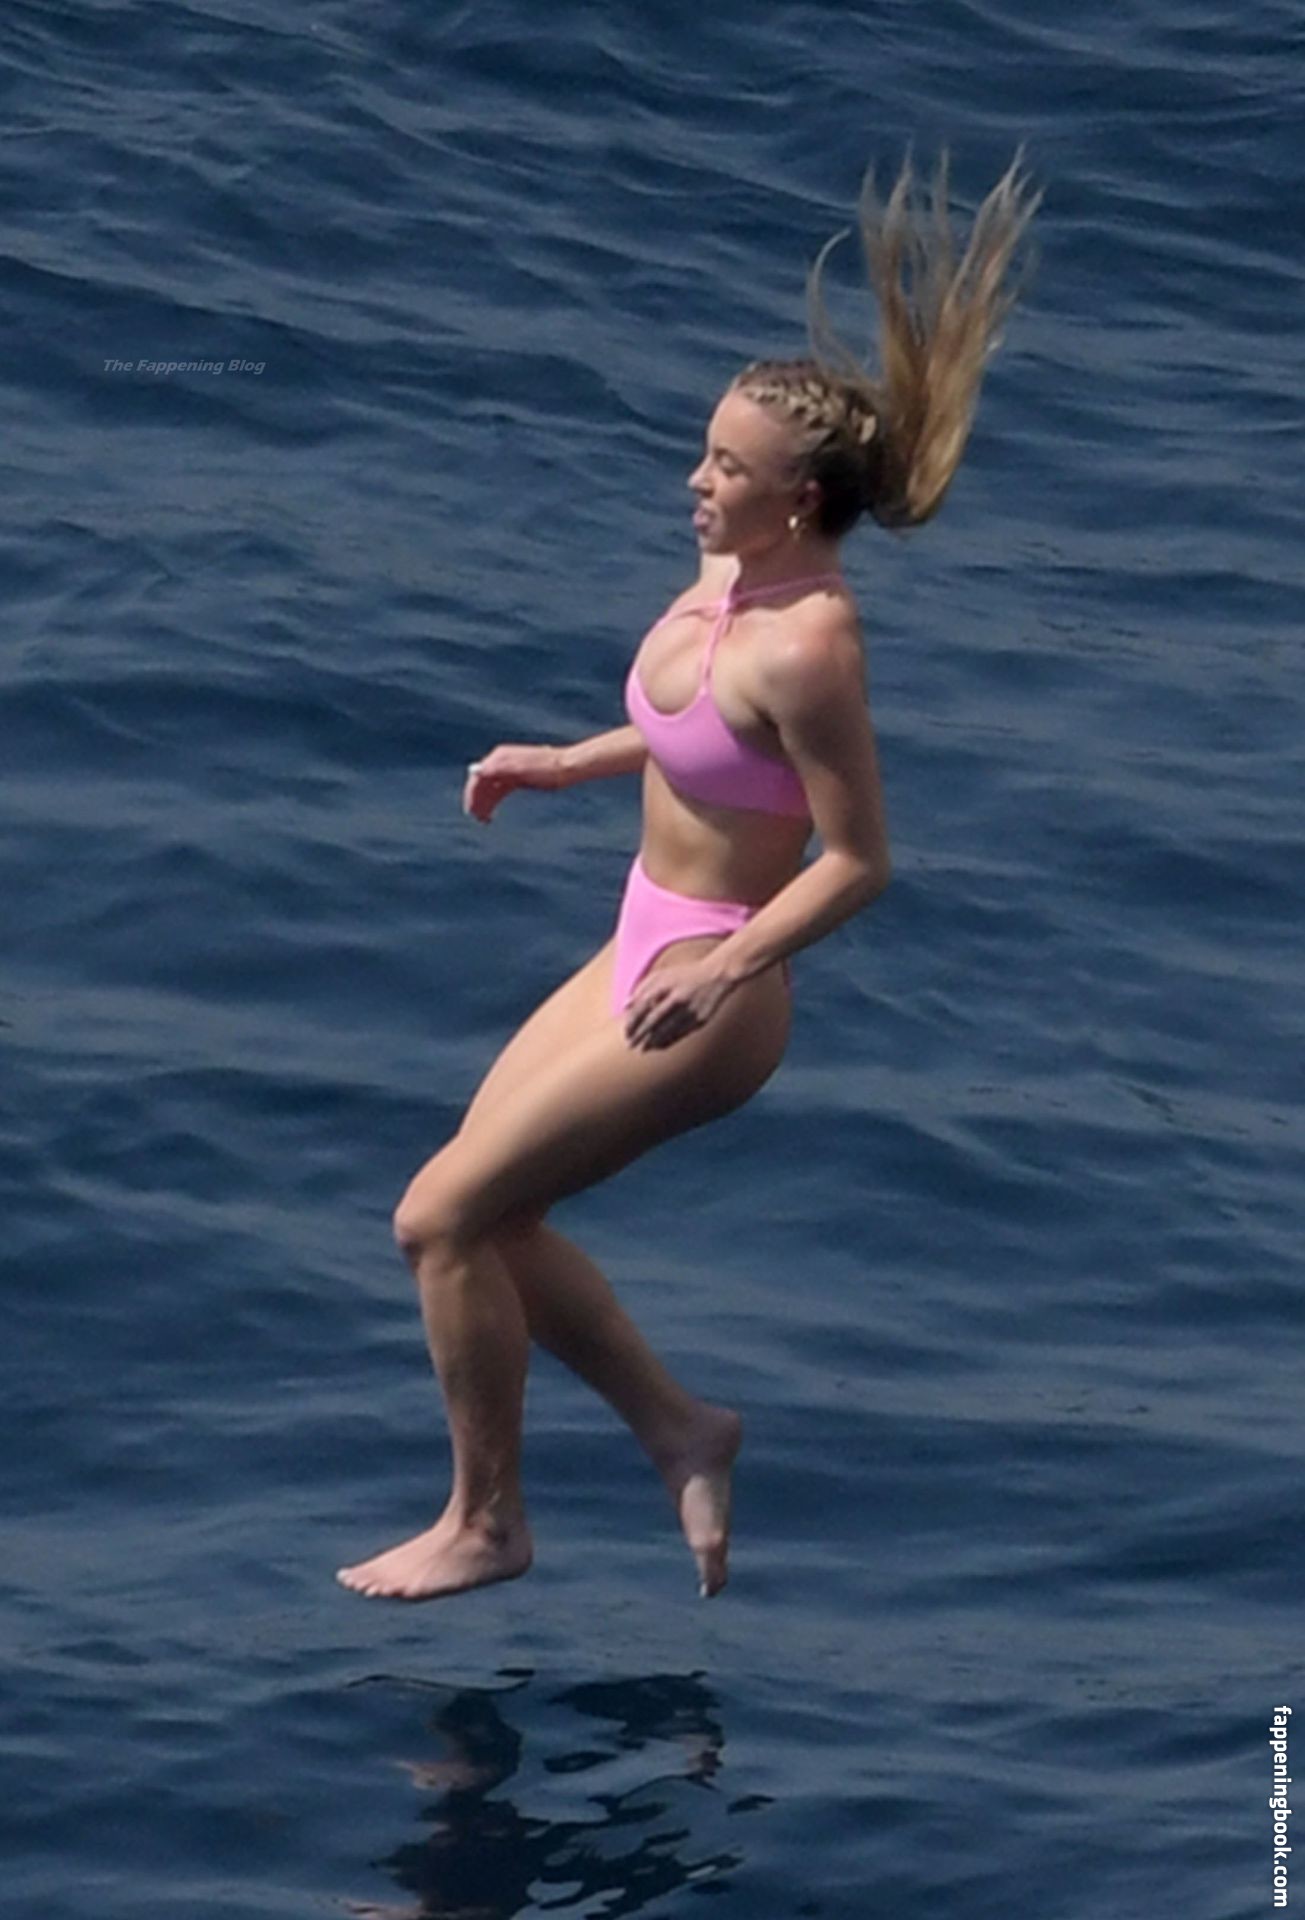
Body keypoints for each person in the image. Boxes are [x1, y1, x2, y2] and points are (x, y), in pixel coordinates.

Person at [337, 152, 1039, 1604]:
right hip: (638, 939)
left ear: (799, 501)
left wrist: (725, 967)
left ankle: (488, 1523)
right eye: (705, 452)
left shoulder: (811, 644)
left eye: (726, 468)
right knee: (487, 1216)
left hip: (715, 988)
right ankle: (680, 1431)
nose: (696, 481)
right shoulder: (730, 582)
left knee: (437, 1219)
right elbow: (696, 740)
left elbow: (859, 860)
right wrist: (560, 761)